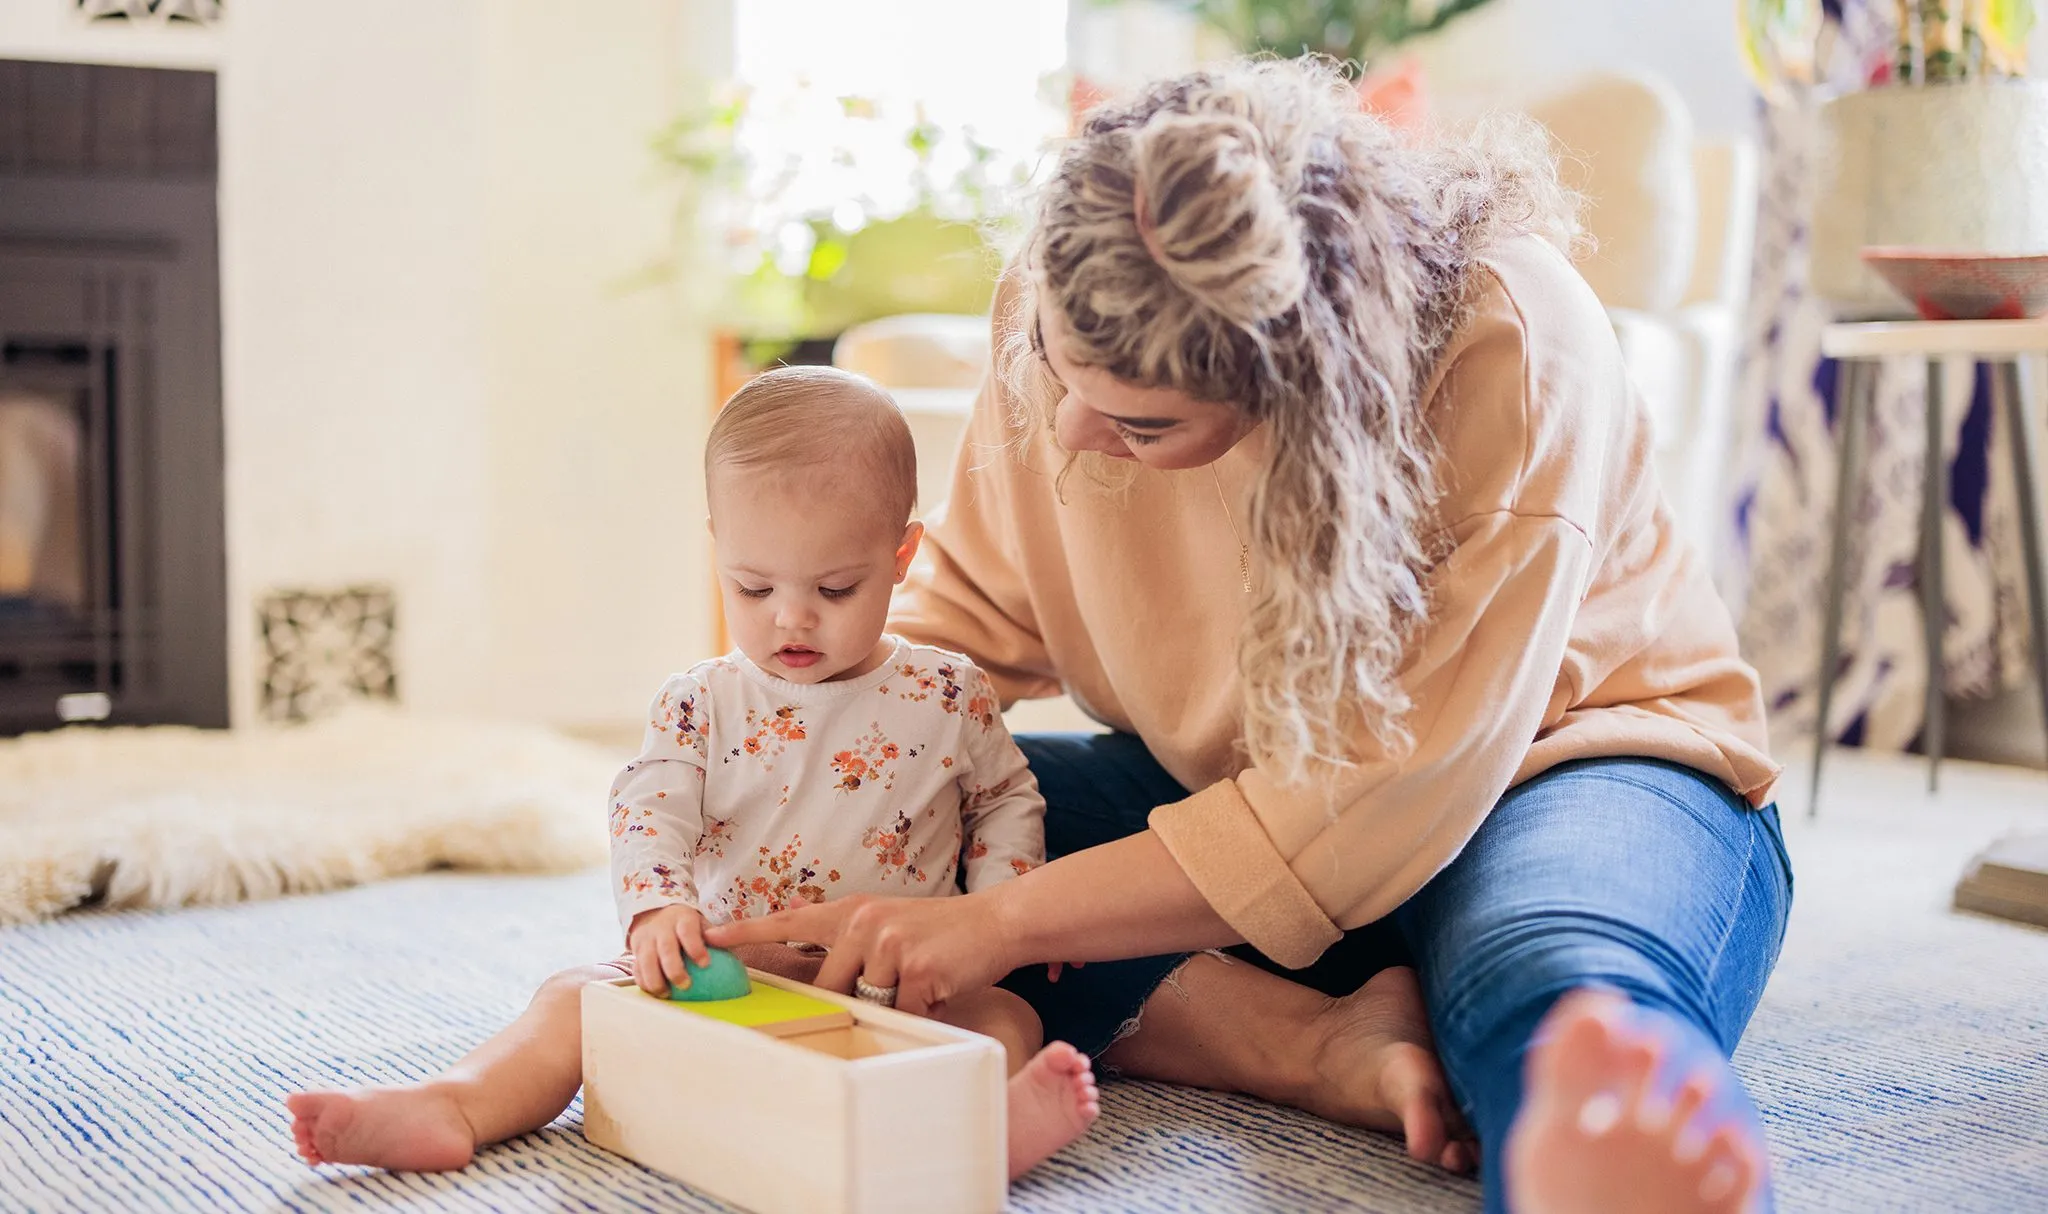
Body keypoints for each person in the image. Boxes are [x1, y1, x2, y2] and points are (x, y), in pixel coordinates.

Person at [712, 59, 1794, 1214]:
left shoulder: (1509, 341)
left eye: (1140, 421)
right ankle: (1318, 1039)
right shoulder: (1072, 298)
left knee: (1547, 973)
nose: (1069, 431)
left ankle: (1613, 1149)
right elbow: (966, 625)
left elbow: (1375, 796)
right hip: (1245, 816)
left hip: (1572, 769)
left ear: (1305, 391)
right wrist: (791, 797)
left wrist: (999, 919)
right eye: (1053, 367)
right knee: (942, 823)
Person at [285, 367, 1101, 1181]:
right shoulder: (701, 701)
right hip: (738, 973)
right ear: (719, 549)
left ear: (901, 557)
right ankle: (455, 1103)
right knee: (576, 997)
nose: (791, 616)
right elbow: (649, 813)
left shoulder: (947, 692)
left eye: (835, 587)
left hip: (902, 978)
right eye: (753, 585)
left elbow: (1003, 799)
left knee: (1005, 1017)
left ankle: (978, 1133)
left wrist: (1001, 901)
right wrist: (657, 908)